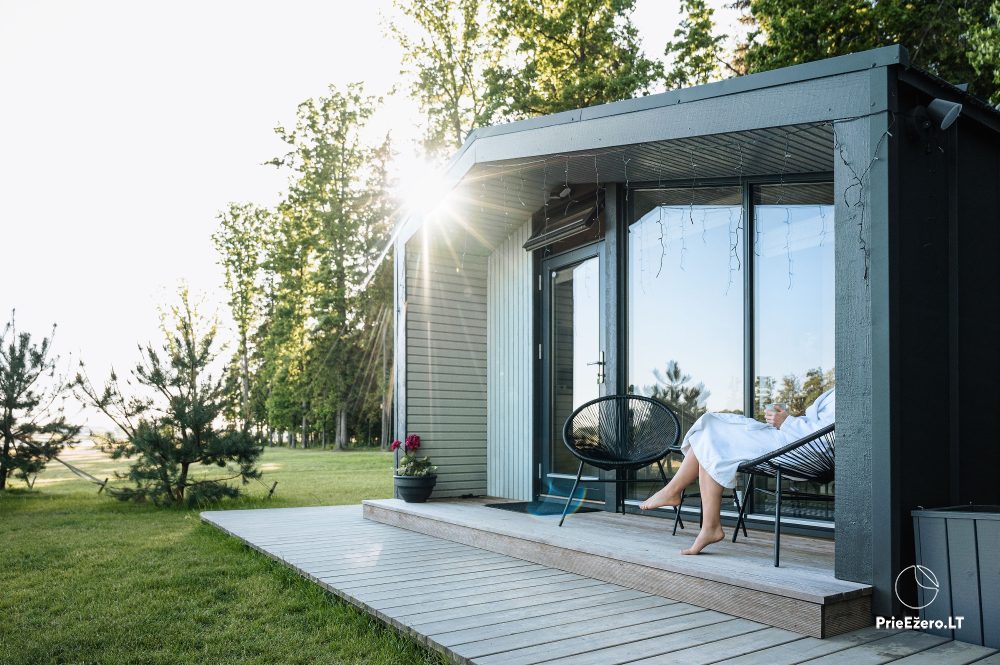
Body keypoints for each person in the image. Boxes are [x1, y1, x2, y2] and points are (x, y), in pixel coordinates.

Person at [639, 388, 835, 555]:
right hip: (792, 441)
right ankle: (706, 523)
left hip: (801, 452)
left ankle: (679, 497)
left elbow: (825, 441)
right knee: (709, 433)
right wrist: (786, 423)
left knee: (712, 429)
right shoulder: (842, 389)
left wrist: (787, 422)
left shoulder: (857, 393)